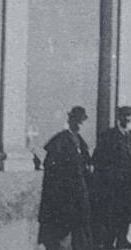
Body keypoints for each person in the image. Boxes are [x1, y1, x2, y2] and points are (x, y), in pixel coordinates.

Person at [92, 104, 131, 249]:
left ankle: (122, 239)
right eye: (124, 115)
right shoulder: (109, 136)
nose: (127, 118)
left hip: (129, 185)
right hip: (113, 185)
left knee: (126, 213)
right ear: (119, 117)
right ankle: (108, 242)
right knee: (112, 214)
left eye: (129, 116)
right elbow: (99, 159)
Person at [37, 106, 94, 250]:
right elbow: (51, 167)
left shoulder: (80, 141)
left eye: (82, 121)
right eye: (77, 120)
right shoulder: (60, 140)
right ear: (70, 120)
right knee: (64, 229)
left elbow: (86, 162)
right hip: (65, 193)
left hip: (80, 191)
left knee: (80, 227)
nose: (79, 124)